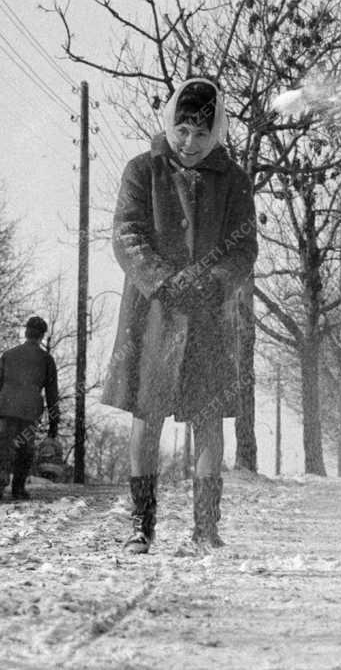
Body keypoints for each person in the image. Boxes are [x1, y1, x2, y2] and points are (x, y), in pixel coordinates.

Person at [102, 77, 257, 553]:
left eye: (201, 134)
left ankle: (205, 529)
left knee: (208, 419)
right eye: (182, 131)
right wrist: (164, 280)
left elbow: (245, 246)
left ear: (218, 132)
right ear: (170, 124)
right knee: (147, 417)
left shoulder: (234, 181)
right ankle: (141, 526)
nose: (190, 143)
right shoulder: (141, 171)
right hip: (152, 316)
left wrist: (213, 282)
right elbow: (127, 235)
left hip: (210, 317)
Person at [0, 316, 60, 500]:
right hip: (29, 413)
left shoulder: (8, 355)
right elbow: (52, 394)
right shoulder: (46, 360)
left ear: (26, 332)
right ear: (42, 336)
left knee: (3, 447)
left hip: (5, 409)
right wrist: (53, 423)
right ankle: (18, 488)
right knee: (24, 450)